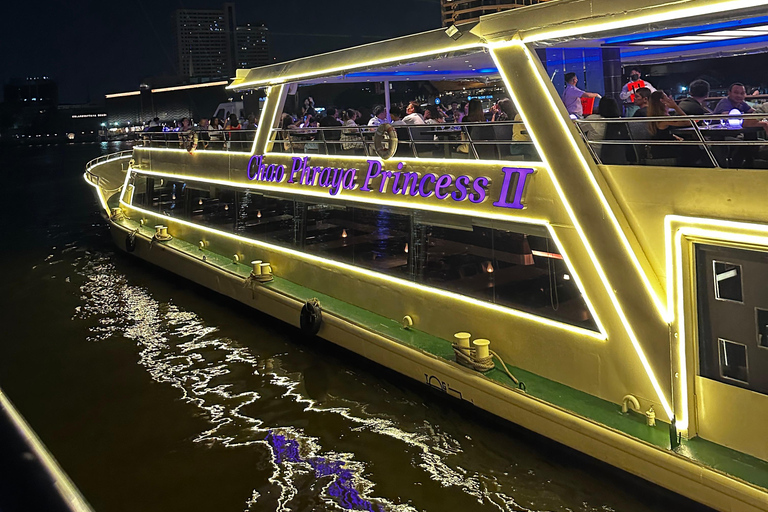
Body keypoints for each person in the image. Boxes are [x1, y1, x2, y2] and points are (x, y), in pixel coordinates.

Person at [647, 90, 691, 163]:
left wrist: (675, 137)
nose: (670, 99)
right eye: (667, 97)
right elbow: (688, 122)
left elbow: (663, 134)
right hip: (664, 152)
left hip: (660, 149)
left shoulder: (657, 117)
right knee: (692, 149)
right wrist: (675, 107)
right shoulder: (664, 119)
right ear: (662, 101)